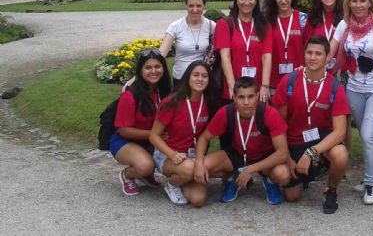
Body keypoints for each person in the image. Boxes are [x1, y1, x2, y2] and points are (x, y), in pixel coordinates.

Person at [330, 0, 373, 205]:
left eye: (362, 1)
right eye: (354, 1)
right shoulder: (344, 25)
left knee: (368, 135)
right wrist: (316, 63)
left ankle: (369, 184)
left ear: (370, 4)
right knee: (364, 135)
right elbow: (332, 50)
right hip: (354, 88)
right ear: (349, 4)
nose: (358, 5)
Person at [272, 36, 350, 214]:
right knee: (290, 192)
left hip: (321, 142)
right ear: (304, 54)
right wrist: (287, 158)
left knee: (340, 154)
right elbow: (279, 126)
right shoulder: (289, 81)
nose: (313, 57)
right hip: (294, 142)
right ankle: (303, 177)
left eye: (318, 54)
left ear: (327, 57)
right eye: (309, 52)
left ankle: (331, 189)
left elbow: (339, 132)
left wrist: (311, 152)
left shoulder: (335, 87)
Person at [193, 77, 290, 205]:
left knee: (283, 174)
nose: (246, 102)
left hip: (263, 157)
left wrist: (249, 170)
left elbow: (282, 153)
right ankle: (231, 179)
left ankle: (270, 182)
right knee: (204, 165)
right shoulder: (226, 112)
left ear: (257, 96)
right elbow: (204, 138)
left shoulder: (270, 113)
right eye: (241, 97)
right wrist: (199, 162)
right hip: (237, 154)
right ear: (234, 98)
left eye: (250, 96)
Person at [149, 61, 218, 206]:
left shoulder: (209, 102)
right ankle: (172, 184)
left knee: (198, 200)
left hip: (192, 156)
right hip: (168, 155)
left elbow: (204, 137)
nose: (200, 79)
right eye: (196, 75)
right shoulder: (172, 101)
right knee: (189, 168)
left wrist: (199, 160)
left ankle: (184, 178)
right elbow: (154, 136)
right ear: (188, 77)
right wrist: (172, 154)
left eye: (204, 76)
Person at [111, 49, 172, 196]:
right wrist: (154, 135)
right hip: (125, 141)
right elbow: (123, 130)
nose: (153, 71)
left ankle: (145, 173)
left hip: (151, 140)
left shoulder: (165, 91)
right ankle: (128, 175)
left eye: (157, 67)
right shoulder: (130, 95)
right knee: (145, 165)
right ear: (140, 70)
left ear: (163, 68)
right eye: (148, 68)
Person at [214, 0, 273, 103]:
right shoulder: (224, 24)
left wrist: (265, 86)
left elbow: (266, 56)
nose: (246, 2)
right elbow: (225, 56)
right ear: (236, 0)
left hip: (256, 90)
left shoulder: (264, 25)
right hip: (232, 89)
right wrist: (232, 86)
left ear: (256, 1)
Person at [159, 0, 215, 87]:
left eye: (199, 6)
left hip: (202, 80)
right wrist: (138, 75)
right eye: (191, 6)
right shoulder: (176, 26)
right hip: (181, 80)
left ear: (204, 6)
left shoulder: (212, 26)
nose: (195, 10)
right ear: (186, 5)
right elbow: (161, 54)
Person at [264, 0, 307, 94]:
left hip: (299, 78)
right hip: (274, 81)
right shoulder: (267, 21)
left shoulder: (303, 19)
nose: (283, 1)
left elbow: (310, 47)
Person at [303, 0, 344, 73]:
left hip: (341, 73)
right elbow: (306, 46)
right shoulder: (312, 17)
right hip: (317, 71)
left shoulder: (346, 16)